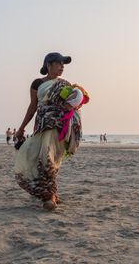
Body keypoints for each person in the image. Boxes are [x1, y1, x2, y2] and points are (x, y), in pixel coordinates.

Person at [13, 52, 89, 211]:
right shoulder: (37, 83)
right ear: (48, 65)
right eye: (59, 63)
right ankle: (49, 194)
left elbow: (74, 103)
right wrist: (21, 128)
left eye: (63, 64)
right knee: (39, 157)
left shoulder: (66, 84)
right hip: (43, 124)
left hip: (60, 127)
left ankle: (49, 196)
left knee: (51, 159)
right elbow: (33, 107)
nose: (62, 67)